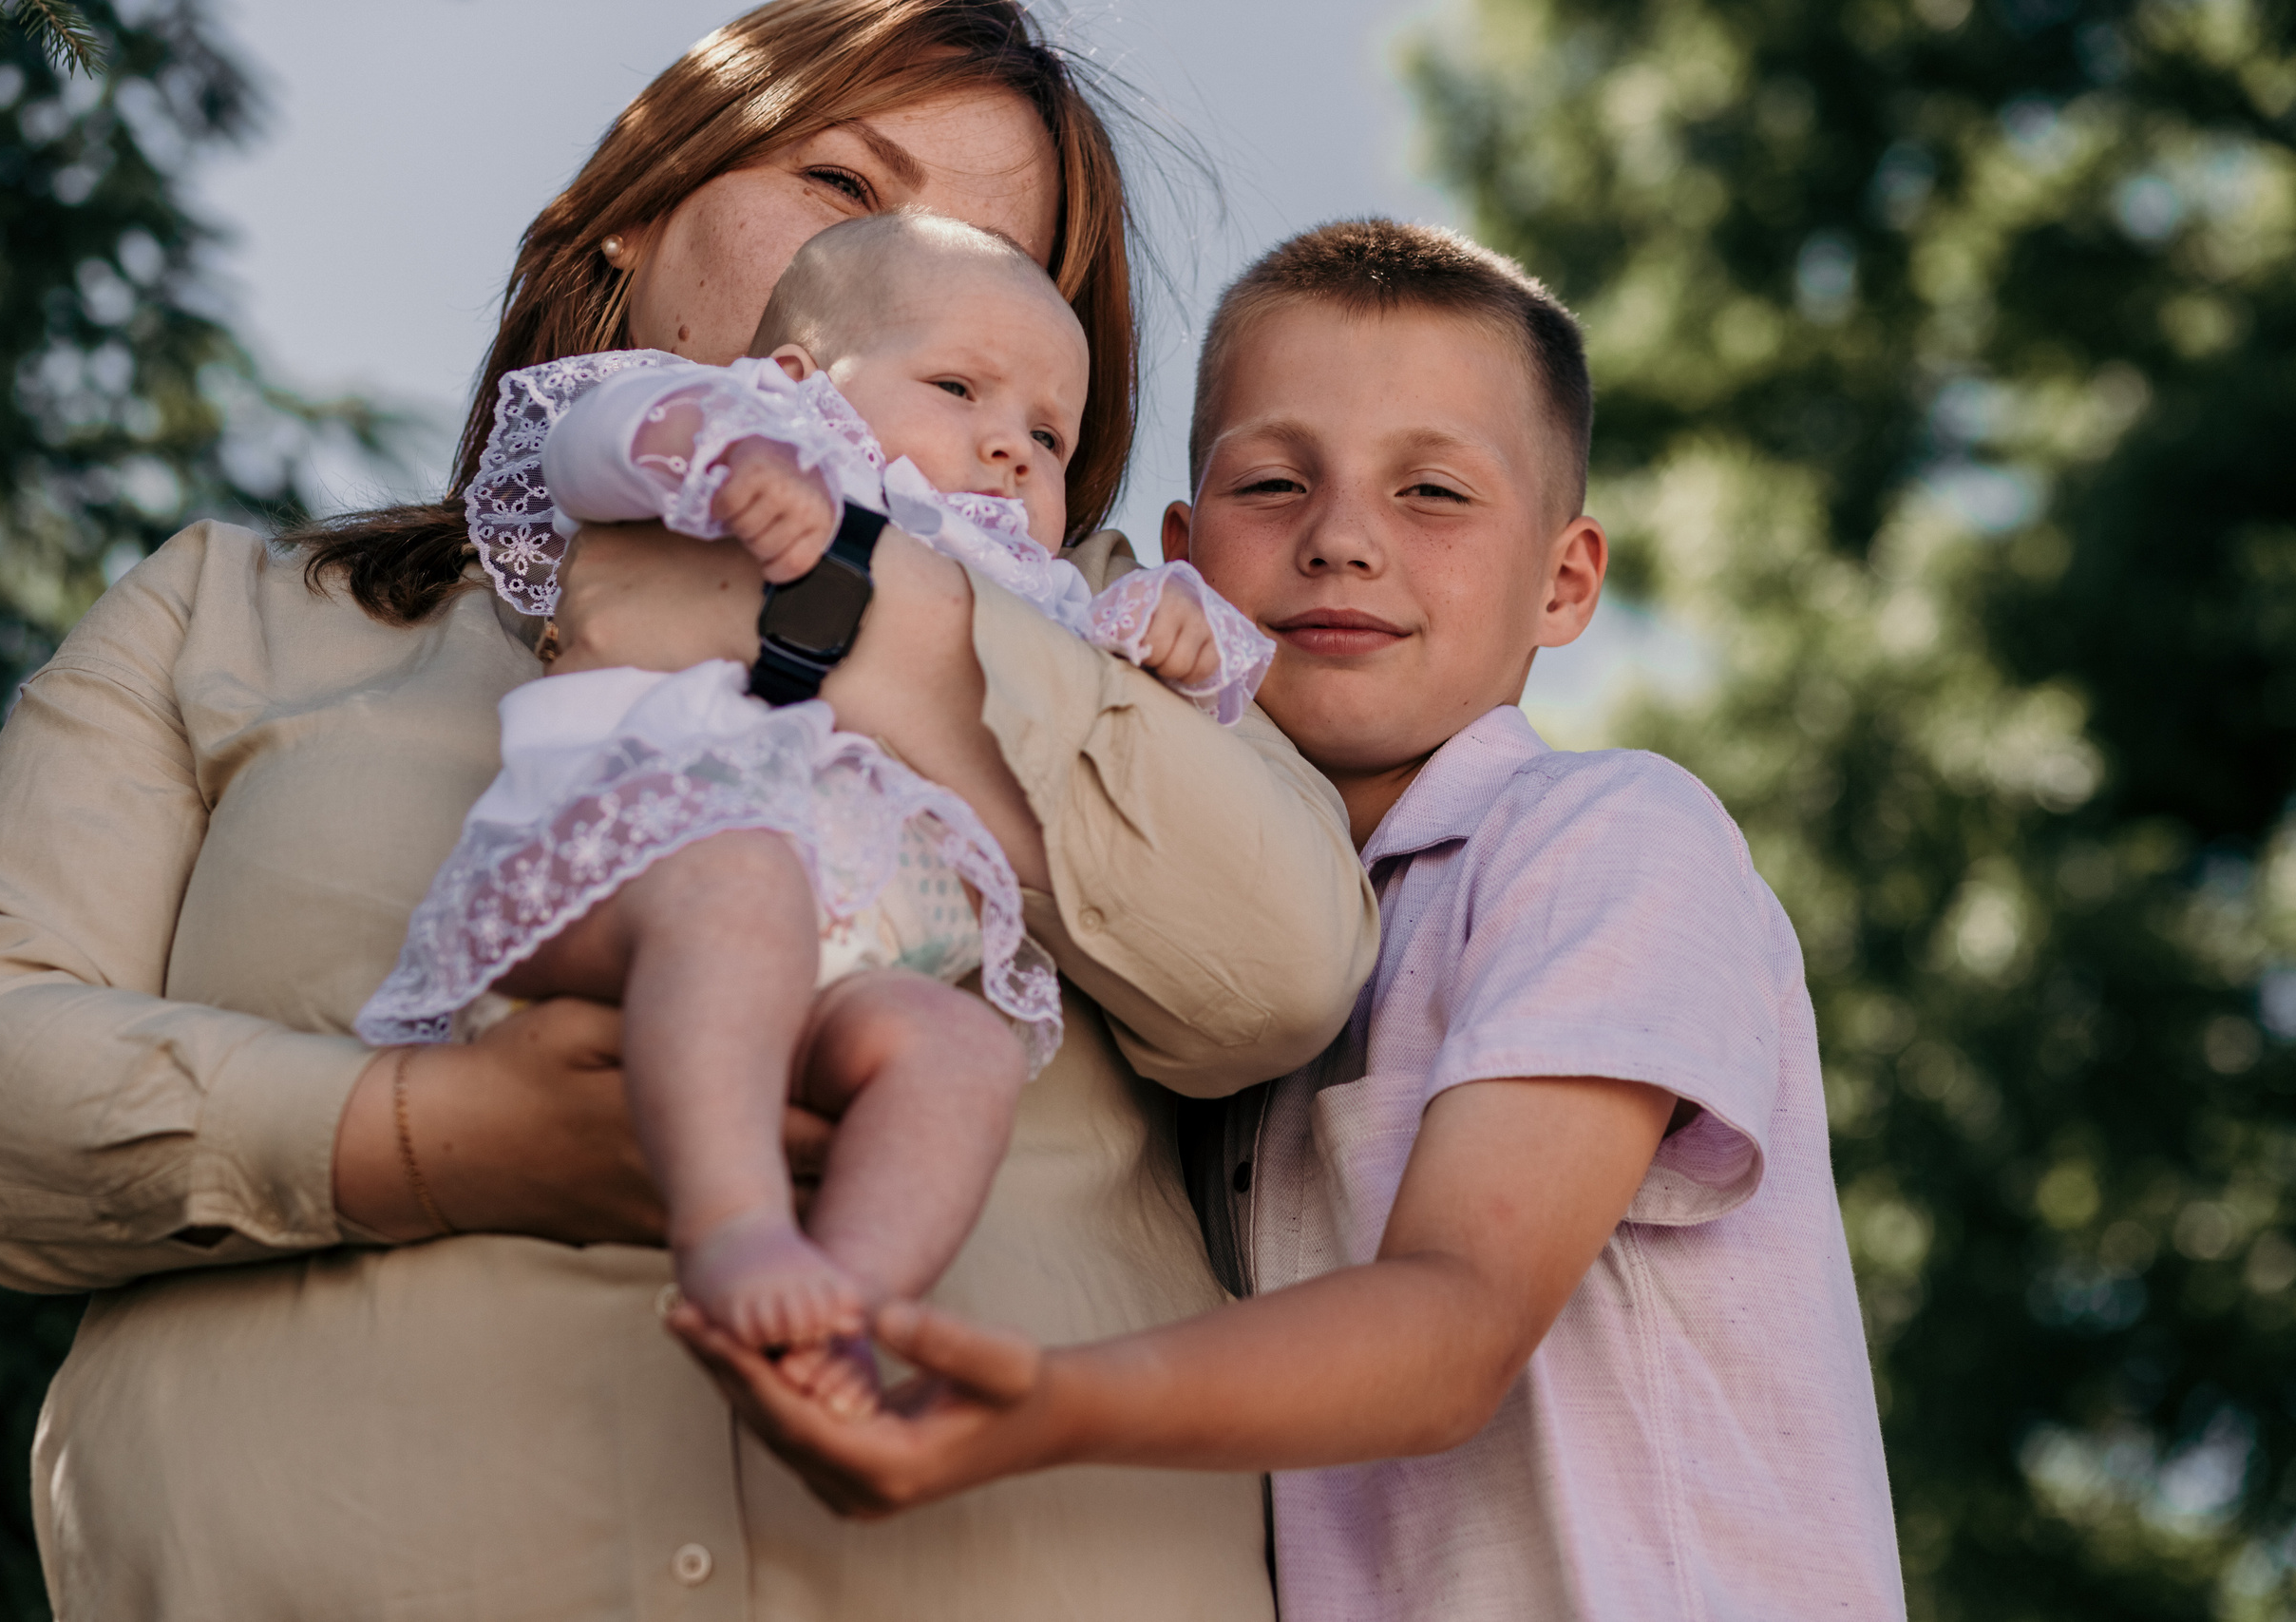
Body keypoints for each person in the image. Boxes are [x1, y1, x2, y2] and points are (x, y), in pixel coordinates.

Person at [0, 5, 1376, 1616]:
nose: (931, 259)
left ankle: (844, 1327)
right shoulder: (232, 617)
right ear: (631, 224)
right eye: (841, 181)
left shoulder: (1096, 637)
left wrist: (866, 622)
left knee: (939, 1044)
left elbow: (1282, 967)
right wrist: (436, 1142)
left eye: (1003, 255)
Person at [674, 220, 1907, 1620]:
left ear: (1564, 580)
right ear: (1184, 553)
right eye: (1275, 482)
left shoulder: (1607, 834)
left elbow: (1455, 1325)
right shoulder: (1204, 943)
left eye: (1434, 491)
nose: (1340, 540)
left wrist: (1045, 1400)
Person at [359, 210, 1270, 1387]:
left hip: (853, 964)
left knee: (960, 1050)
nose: (1009, 450)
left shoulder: (1028, 588)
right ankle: (736, 1229)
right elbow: (588, 438)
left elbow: (1128, 746)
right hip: (647, 867)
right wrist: (718, 454)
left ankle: (844, 1310)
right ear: (797, 378)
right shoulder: (773, 442)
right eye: (958, 386)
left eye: (1048, 435)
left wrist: (1171, 635)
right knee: (742, 884)